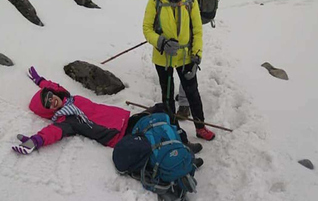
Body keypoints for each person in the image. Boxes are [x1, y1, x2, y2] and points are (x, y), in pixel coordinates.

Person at [12, 66, 204, 155]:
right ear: (47, 112)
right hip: (118, 135)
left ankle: (182, 142)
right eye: (48, 103)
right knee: (155, 134)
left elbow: (54, 87)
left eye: (49, 95)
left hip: (125, 120)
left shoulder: (67, 97)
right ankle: (180, 155)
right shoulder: (66, 121)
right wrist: (35, 141)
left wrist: (40, 81)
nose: (52, 100)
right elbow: (51, 133)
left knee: (163, 109)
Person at [142, 0, 215, 141]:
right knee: (167, 96)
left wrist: (197, 55)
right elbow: (147, 29)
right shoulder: (155, 0)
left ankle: (200, 127)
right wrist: (161, 42)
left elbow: (197, 30)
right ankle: (172, 129)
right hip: (162, 58)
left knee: (192, 93)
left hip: (186, 57)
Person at [176, 0, 221, 120]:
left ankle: (185, 105)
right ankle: (185, 96)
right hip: (203, 13)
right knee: (187, 57)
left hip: (189, 17)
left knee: (186, 60)